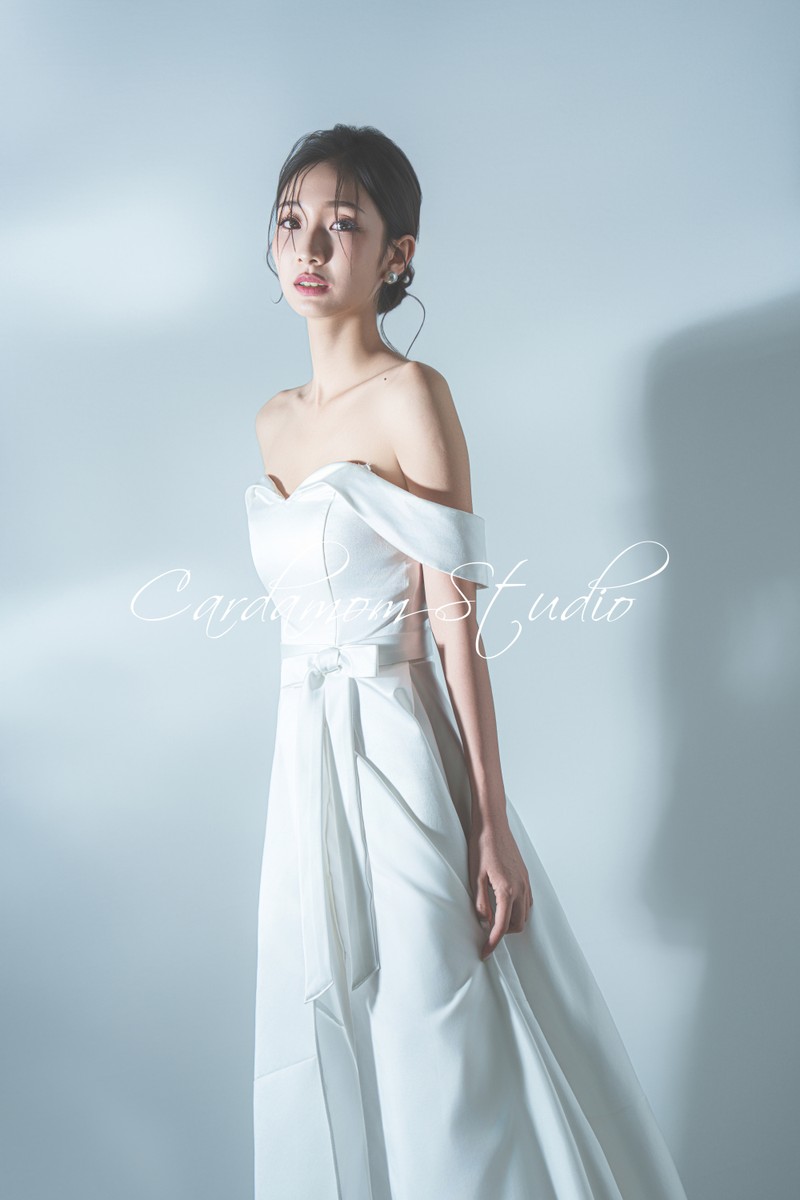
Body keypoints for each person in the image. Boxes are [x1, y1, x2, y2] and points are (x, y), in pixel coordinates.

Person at [244, 123, 688, 1200]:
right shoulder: (273, 424)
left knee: (436, 1024)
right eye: (293, 222)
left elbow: (454, 624)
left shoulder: (414, 396)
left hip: (400, 752)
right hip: (305, 761)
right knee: (331, 1020)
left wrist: (489, 820)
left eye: (344, 225)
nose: (312, 247)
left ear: (397, 255)